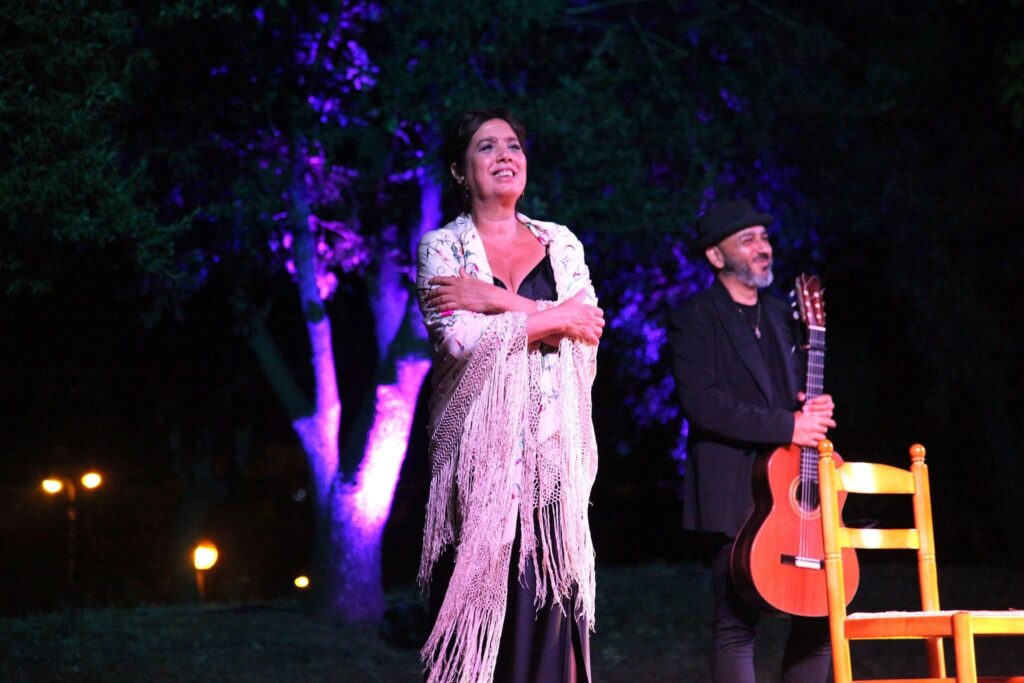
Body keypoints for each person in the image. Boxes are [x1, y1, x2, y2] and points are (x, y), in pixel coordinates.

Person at [415, 108, 604, 683]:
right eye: (486, 146)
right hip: (477, 475)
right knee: (479, 649)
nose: (505, 155)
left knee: (549, 637)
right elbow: (460, 341)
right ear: (459, 170)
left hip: (551, 470)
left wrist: (494, 299)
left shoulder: (560, 243)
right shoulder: (441, 249)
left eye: (514, 145)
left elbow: (590, 328)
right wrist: (556, 317)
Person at [667, 198, 837, 682]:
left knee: (819, 616)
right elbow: (704, 403)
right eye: (747, 240)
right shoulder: (695, 317)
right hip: (734, 491)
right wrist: (788, 425)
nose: (762, 248)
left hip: (791, 490)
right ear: (716, 257)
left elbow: (793, 395)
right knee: (737, 626)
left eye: (764, 237)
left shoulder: (785, 314)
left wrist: (810, 407)